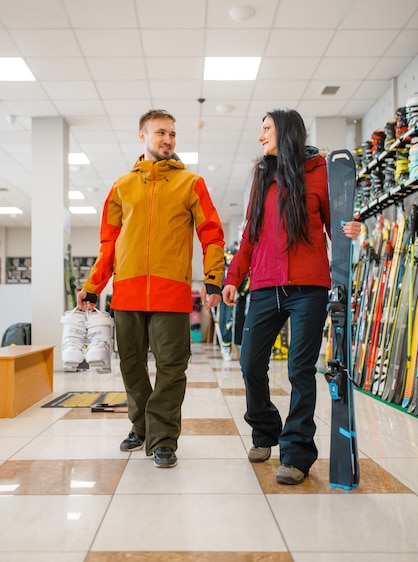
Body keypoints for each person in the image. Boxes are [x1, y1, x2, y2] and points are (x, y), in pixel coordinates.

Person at [77, 109, 225, 468]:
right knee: (130, 365)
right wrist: (93, 285)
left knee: (172, 367)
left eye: (172, 134)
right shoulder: (121, 186)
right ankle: (141, 425)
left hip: (170, 293)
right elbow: (108, 243)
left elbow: (212, 233)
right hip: (126, 292)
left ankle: (162, 439)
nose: (168, 140)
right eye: (161, 133)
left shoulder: (191, 183)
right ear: (142, 136)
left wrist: (213, 279)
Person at [222, 108, 361, 485]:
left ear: (285, 132)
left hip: (308, 289)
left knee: (301, 371)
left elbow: (337, 224)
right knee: (251, 363)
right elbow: (251, 234)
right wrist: (233, 277)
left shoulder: (318, 173)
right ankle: (265, 430)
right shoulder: (262, 177)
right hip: (266, 286)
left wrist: (352, 231)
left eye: (265, 129)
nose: (259, 136)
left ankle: (297, 451)